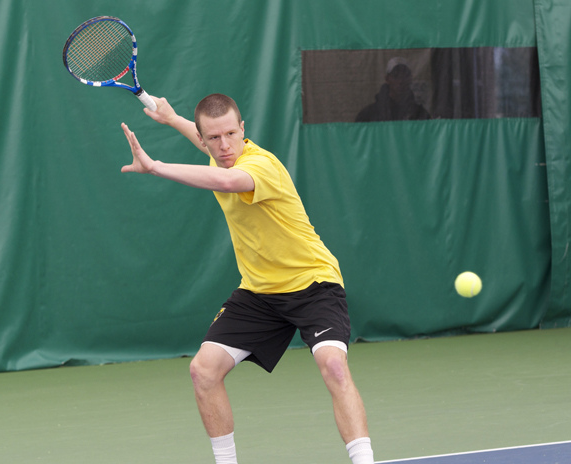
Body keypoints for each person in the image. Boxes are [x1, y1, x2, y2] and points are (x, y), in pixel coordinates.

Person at [120, 93, 374, 464]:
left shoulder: (259, 166)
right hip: (259, 291)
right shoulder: (218, 148)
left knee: (334, 365)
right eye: (213, 138)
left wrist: (156, 166)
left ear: (243, 129)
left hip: (313, 283)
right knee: (203, 371)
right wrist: (174, 119)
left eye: (230, 135)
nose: (224, 146)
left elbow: (226, 181)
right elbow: (210, 147)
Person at [355, 57, 430, 122]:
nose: (400, 81)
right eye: (396, 76)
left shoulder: (421, 114)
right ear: (387, 79)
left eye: (404, 75)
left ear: (410, 79)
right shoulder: (368, 115)